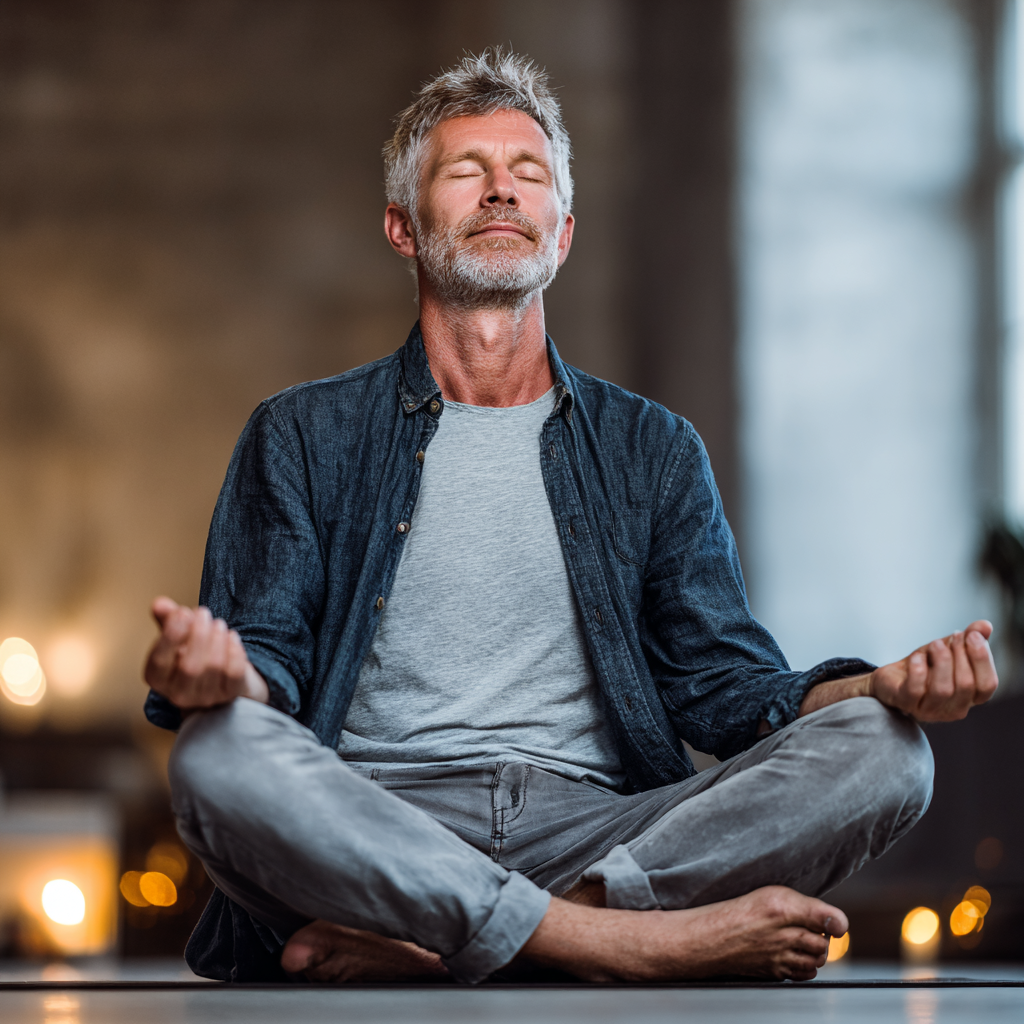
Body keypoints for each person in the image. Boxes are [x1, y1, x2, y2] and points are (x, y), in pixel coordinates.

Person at [143, 49, 998, 985]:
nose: (501, 192)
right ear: (401, 226)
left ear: (563, 234)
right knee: (214, 756)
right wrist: (220, 677)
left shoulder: (653, 449)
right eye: (466, 172)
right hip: (382, 824)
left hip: (600, 831)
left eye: (529, 175)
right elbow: (266, 664)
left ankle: (490, 936)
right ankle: (624, 945)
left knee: (888, 754)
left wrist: (882, 687)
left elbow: (725, 690)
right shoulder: (303, 433)